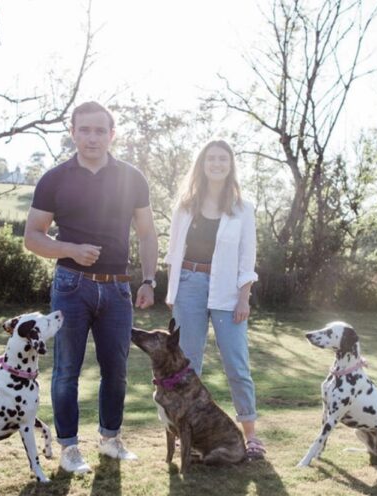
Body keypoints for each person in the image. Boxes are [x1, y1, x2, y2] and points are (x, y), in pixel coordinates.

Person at [24, 101, 158, 475]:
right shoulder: (54, 179)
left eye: (100, 130)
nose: (92, 137)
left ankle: (111, 439)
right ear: (73, 132)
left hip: (118, 288)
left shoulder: (133, 178)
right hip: (71, 286)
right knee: (67, 369)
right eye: (85, 130)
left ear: (112, 134)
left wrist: (148, 279)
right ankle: (69, 448)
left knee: (115, 369)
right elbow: (32, 237)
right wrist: (69, 250)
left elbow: (147, 234)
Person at [164, 139, 265, 459]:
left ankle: (250, 436)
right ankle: (185, 434)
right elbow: (173, 251)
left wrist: (244, 298)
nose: (217, 163)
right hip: (189, 285)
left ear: (230, 164)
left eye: (223, 159)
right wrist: (173, 291)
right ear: (202, 164)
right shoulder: (185, 205)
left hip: (227, 291)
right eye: (211, 159)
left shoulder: (242, 208)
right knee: (186, 365)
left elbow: (247, 258)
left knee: (236, 364)